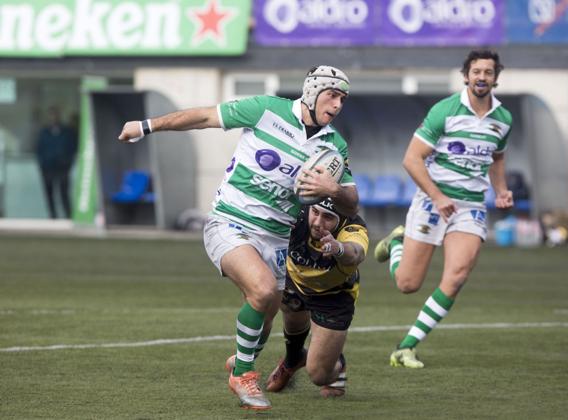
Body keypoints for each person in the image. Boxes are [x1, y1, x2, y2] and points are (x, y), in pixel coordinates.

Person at [117, 66, 358, 411]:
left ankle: (246, 356)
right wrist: (147, 125)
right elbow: (203, 117)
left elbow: (351, 200)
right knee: (261, 291)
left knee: (268, 311)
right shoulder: (265, 110)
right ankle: (243, 375)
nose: (336, 105)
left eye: (343, 100)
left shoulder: (333, 147)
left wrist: (332, 189)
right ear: (312, 91)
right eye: (332, 95)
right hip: (230, 222)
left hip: (277, 240)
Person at [373, 49, 514, 369]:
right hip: (432, 201)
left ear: (496, 77)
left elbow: (498, 158)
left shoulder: (503, 119)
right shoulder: (444, 111)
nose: (482, 77)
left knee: (457, 275)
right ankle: (397, 243)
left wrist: (501, 190)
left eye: (488, 72)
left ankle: (405, 347)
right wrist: (437, 197)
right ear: (466, 76)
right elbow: (411, 159)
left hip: (470, 207)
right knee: (408, 284)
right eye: (476, 71)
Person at [255, 198, 368, 398]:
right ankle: (293, 360)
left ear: (341, 218)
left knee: (319, 376)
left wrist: (338, 248)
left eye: (327, 217)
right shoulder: (297, 213)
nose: (317, 222)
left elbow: (356, 253)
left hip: (334, 295)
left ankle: (337, 365)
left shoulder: (353, 226)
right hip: (295, 280)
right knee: (288, 308)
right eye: (315, 212)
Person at [36, 106, 78, 219]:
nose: (53, 118)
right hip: (48, 168)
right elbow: (39, 149)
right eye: (51, 115)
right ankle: (53, 216)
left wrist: (68, 162)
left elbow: (72, 148)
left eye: (55, 115)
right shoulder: (44, 132)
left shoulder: (67, 131)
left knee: (64, 193)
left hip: (63, 168)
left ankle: (69, 216)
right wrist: (42, 164)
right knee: (49, 194)